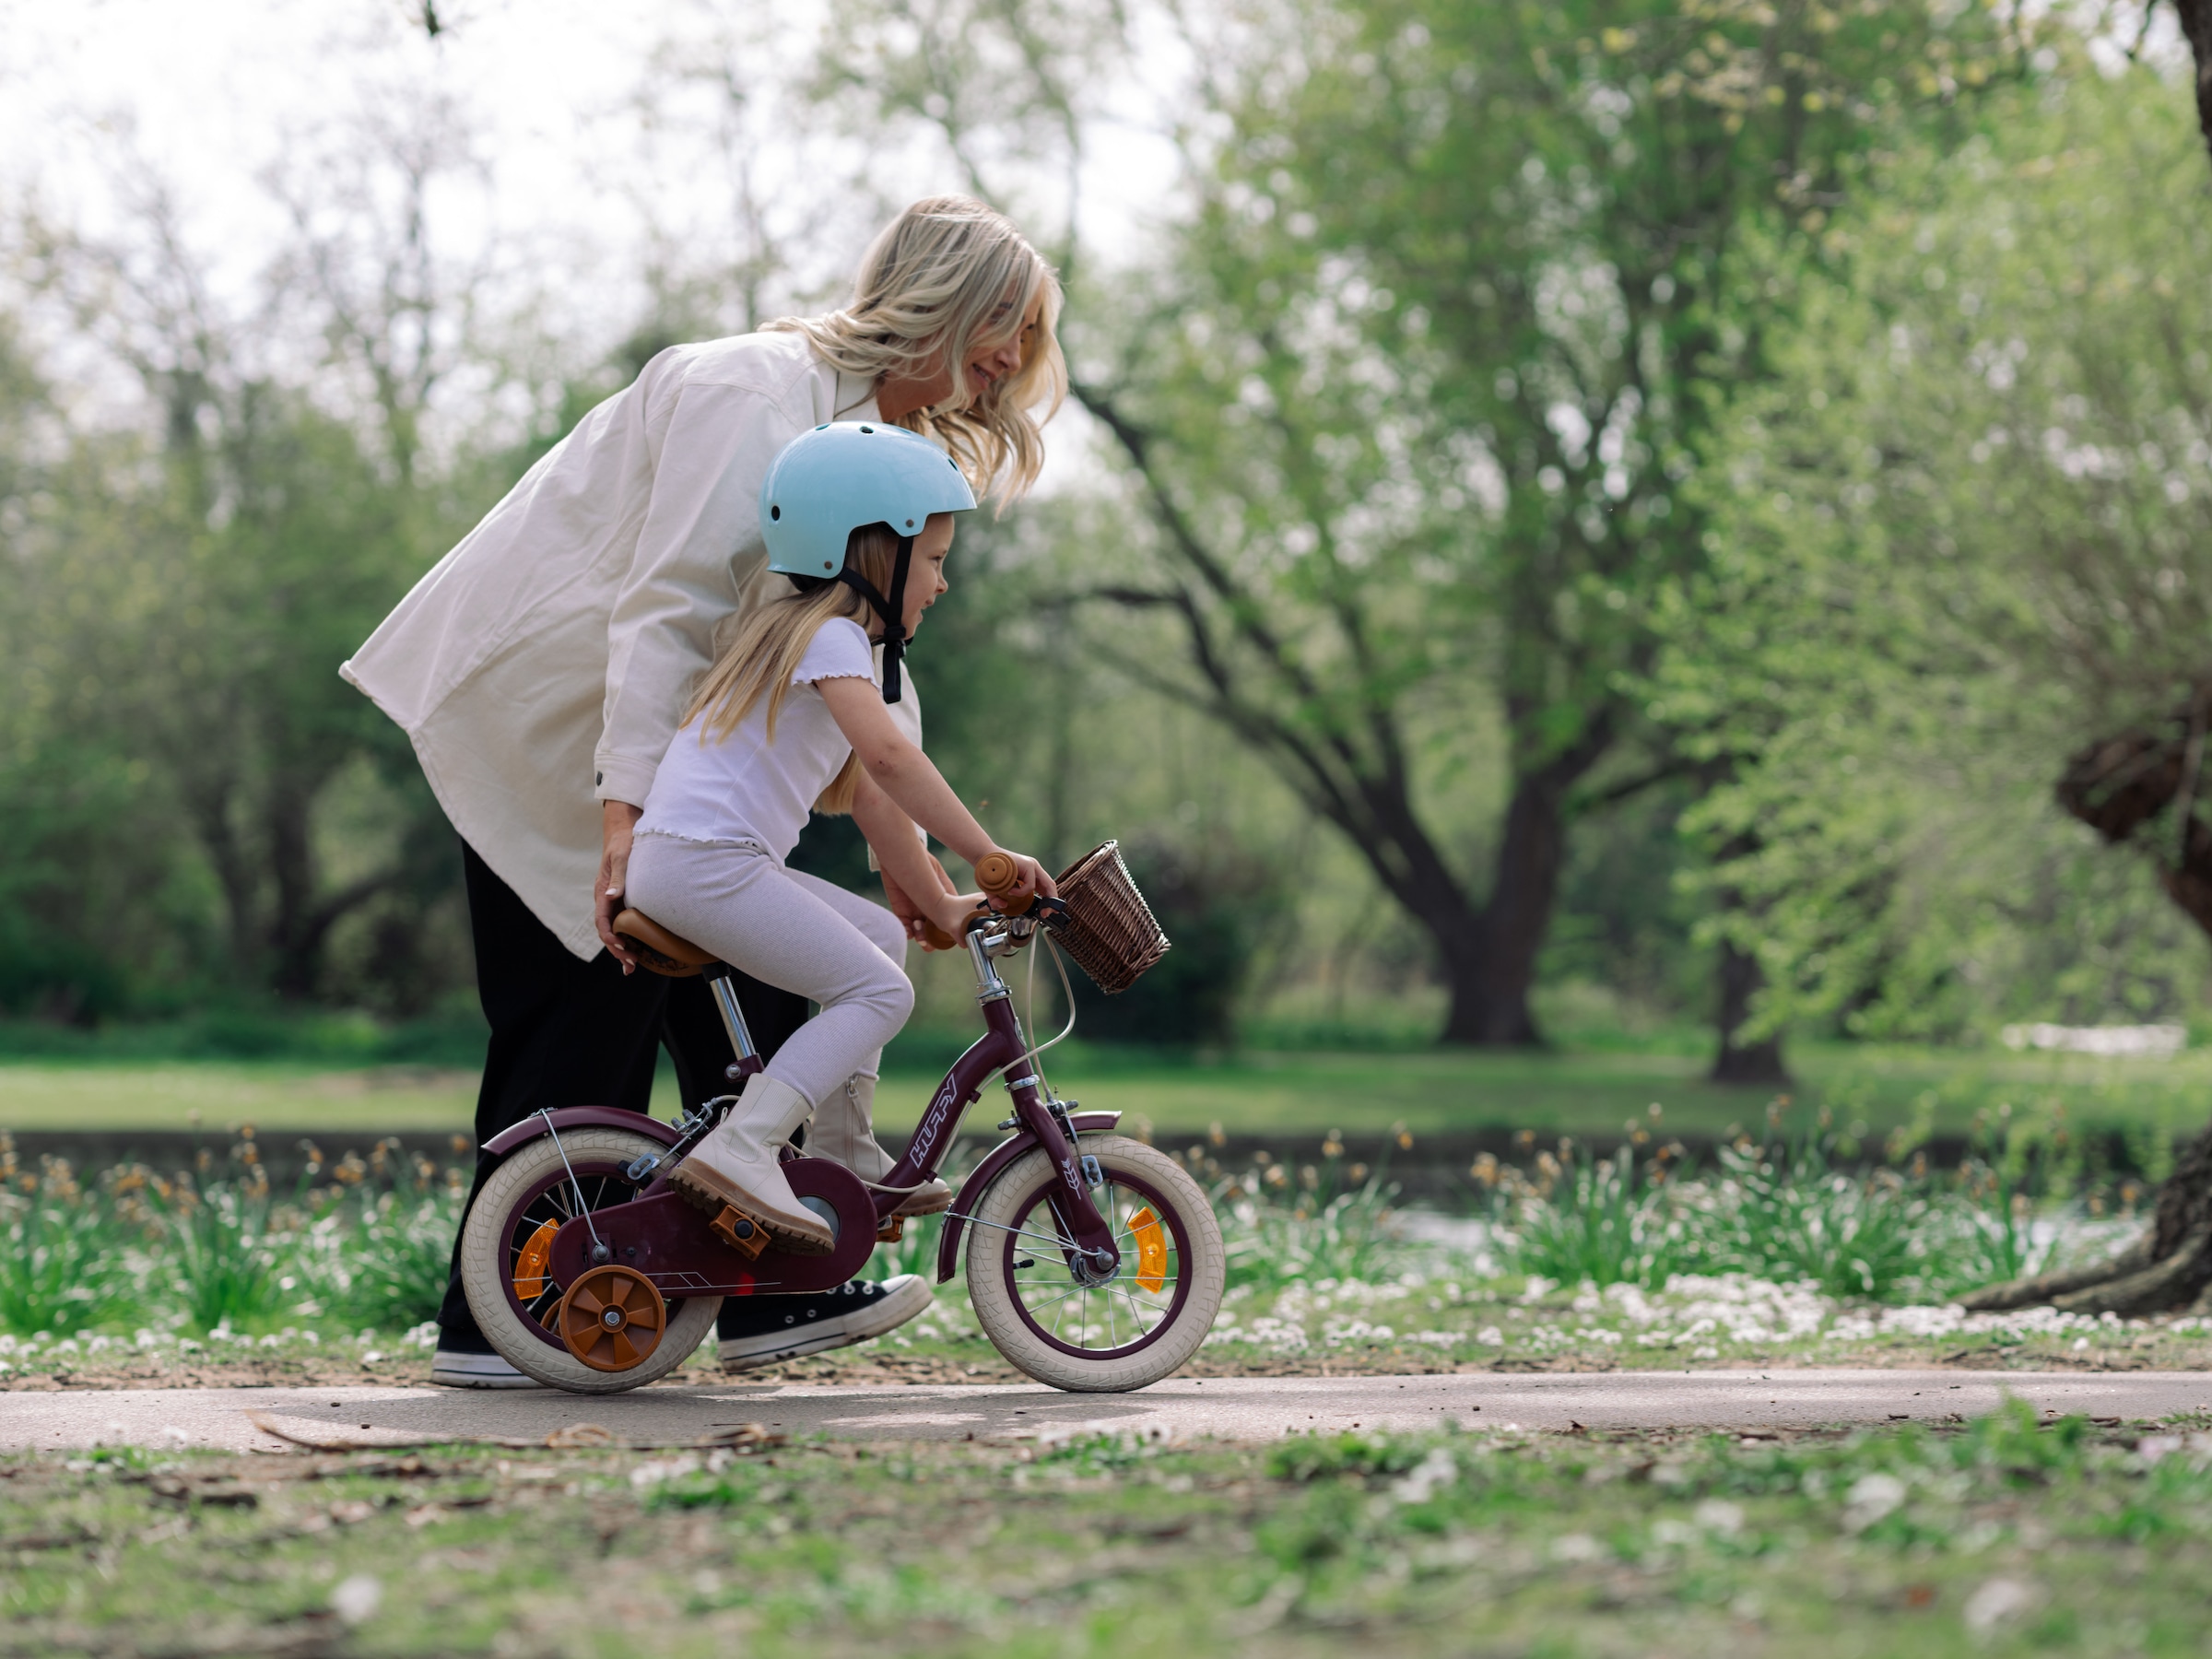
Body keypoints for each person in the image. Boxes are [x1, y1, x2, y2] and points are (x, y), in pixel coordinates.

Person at [339, 196, 1065, 1385]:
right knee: (588, 1018)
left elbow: (863, 686)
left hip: (667, 753)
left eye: (1032, 342)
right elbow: (670, 611)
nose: (1014, 361)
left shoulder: (876, 455)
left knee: (766, 991)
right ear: (944, 299)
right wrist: (622, 824)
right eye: (1009, 324)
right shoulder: (753, 392)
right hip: (556, 720)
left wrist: (909, 867)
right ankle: (508, 1328)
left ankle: (771, 1290)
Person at [629, 420, 1055, 1248]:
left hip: (699, 861)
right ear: (872, 554)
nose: (940, 585)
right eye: (932, 562)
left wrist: (937, 900)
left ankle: (841, 1147)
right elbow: (891, 762)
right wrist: (988, 857)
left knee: (876, 940)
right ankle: (746, 1148)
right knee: (881, 994)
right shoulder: (830, 637)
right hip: (705, 866)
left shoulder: (812, 642)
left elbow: (872, 800)